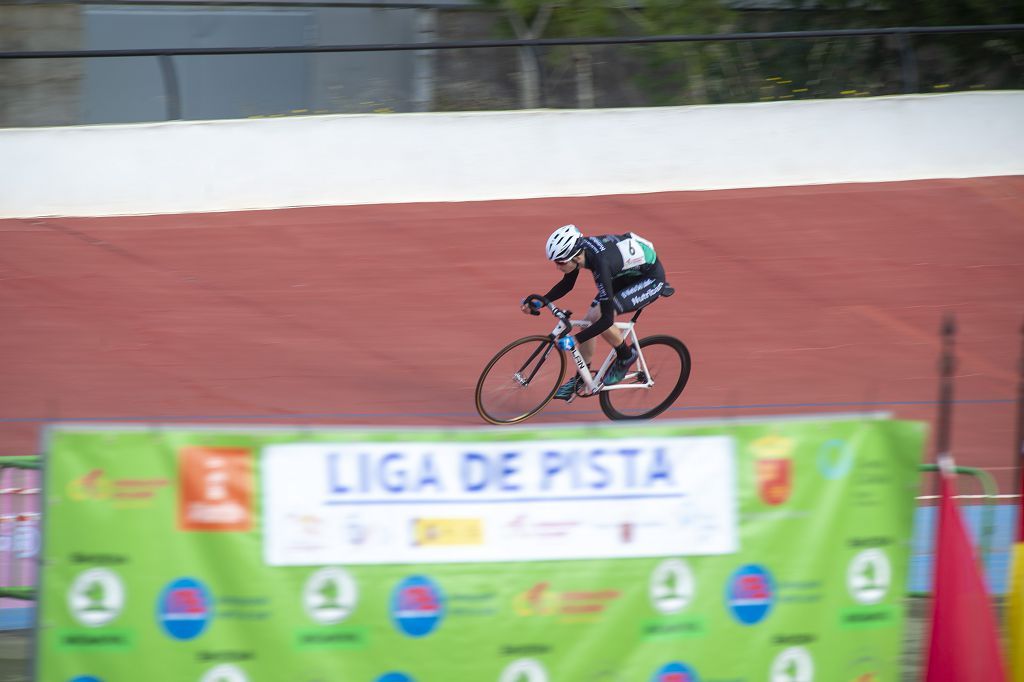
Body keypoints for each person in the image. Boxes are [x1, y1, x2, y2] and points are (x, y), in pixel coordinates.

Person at [521, 224, 671, 400]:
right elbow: (567, 284)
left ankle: (626, 355)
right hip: (626, 272)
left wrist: (575, 340)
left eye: (560, 262)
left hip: (649, 279)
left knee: (600, 318)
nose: (557, 267)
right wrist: (541, 302)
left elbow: (607, 320)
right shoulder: (580, 252)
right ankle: (581, 379)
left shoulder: (600, 264)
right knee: (590, 319)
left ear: (575, 257)